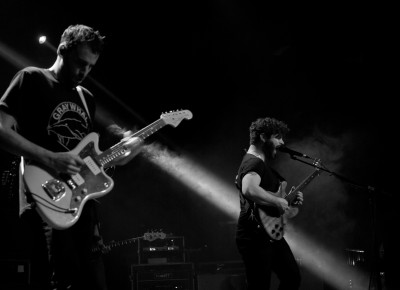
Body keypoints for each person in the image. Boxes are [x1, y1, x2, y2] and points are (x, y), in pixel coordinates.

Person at [0, 24, 143, 290]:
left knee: (95, 283)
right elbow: (1, 131)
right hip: (45, 197)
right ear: (62, 50)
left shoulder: (86, 97)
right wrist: (51, 158)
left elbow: (87, 160)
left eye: (90, 67)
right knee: (61, 280)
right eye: (80, 63)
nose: (84, 72)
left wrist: (120, 156)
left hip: (82, 204)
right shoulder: (30, 78)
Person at [235, 117, 303, 290]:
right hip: (254, 237)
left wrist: (287, 199)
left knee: (292, 277)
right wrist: (277, 201)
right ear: (264, 137)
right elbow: (249, 189)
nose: (282, 142)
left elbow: (265, 196)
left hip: (268, 234)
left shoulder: (259, 163)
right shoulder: (254, 162)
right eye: (278, 137)